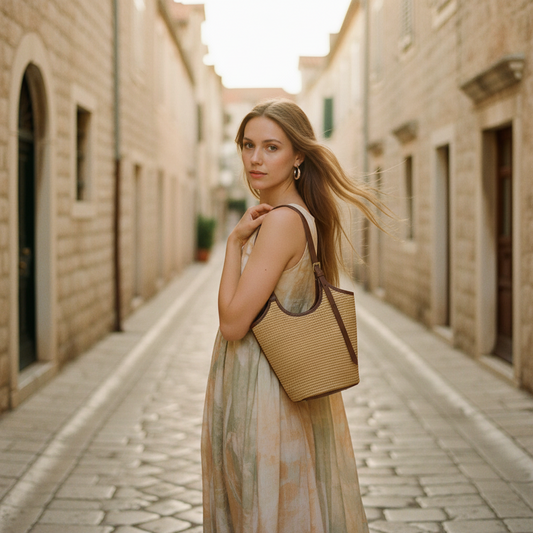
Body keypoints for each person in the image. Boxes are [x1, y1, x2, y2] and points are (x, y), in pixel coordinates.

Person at [202, 99, 386, 533]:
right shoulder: (298, 215)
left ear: (298, 155)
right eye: (248, 145)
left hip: (263, 393)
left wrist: (232, 244)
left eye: (271, 147)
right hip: (275, 389)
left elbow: (232, 324)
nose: (255, 159)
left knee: (261, 510)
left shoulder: (281, 222)